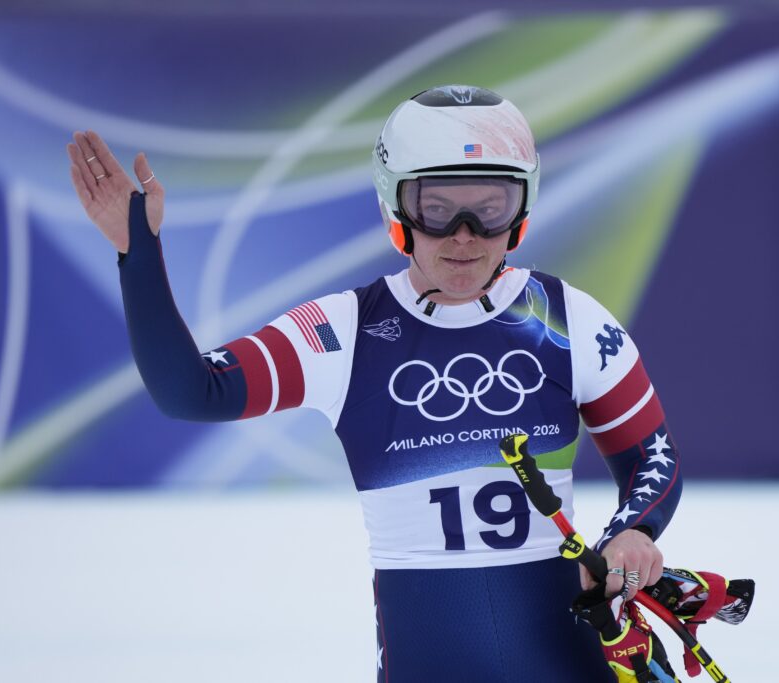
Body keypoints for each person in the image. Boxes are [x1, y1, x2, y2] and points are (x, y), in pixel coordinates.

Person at [68, 84, 683, 682]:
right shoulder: (344, 329)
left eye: (489, 207)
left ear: (521, 207)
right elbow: (190, 391)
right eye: (436, 208)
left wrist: (633, 529)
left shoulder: (566, 317)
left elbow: (651, 454)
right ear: (396, 207)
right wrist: (138, 251)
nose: (464, 235)